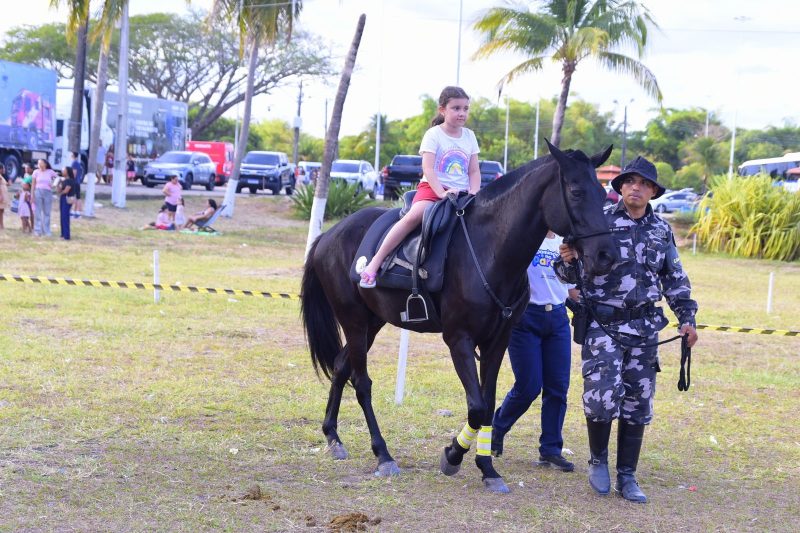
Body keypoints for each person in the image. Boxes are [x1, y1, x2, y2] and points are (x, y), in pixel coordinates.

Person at [554, 156, 698, 503]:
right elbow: (567, 275)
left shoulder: (661, 231)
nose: (636, 187)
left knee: (638, 403)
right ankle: (598, 461)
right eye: (630, 181)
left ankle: (627, 475)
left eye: (644, 183)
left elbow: (674, 278)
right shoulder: (597, 221)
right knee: (602, 397)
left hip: (645, 327)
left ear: (652, 191)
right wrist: (567, 261)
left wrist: (687, 317)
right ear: (620, 187)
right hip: (605, 324)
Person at [358, 86, 481, 288]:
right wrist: (442, 192)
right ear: (443, 110)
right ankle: (374, 263)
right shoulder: (434, 135)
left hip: (464, 194)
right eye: (456, 108)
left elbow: (474, 171)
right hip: (433, 190)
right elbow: (428, 168)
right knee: (413, 217)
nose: (462, 113)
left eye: (465, 108)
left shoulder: (469, 136)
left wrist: (474, 192)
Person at [492, 231, 579, 472]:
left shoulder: (565, 243)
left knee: (558, 388)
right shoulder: (524, 236)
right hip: (525, 317)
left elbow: (572, 289)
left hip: (559, 318)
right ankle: (497, 427)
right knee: (529, 386)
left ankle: (550, 449)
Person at [32, 159, 57, 237]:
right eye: (38, 163)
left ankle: (46, 230)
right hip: (38, 191)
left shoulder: (50, 172)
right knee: (37, 211)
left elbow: (57, 178)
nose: (39, 165)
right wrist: (32, 195)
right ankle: (37, 230)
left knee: (47, 212)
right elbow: (33, 184)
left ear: (45, 164)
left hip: (47, 192)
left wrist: (53, 184)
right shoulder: (35, 172)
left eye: (41, 163)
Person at [58, 166, 76, 240]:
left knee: (65, 216)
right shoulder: (64, 180)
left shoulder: (70, 181)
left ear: (67, 171)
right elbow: (59, 190)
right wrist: (58, 184)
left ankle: (66, 235)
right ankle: (62, 234)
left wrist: (61, 192)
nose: (62, 171)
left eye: (64, 170)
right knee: (62, 216)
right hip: (62, 198)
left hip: (67, 198)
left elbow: (66, 191)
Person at [70, 151, 84, 216]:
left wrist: (70, 180)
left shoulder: (74, 163)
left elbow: (74, 173)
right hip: (78, 182)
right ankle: (78, 211)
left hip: (74, 182)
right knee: (78, 197)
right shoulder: (78, 163)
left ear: (73, 156)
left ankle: (74, 210)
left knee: (74, 196)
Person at [0, 165, 9, 229]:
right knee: (0, 211)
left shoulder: (2, 177)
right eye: (3, 168)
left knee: (2, 211)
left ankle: (2, 224)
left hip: (3, 196)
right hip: (1, 196)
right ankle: (1, 225)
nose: (4, 170)